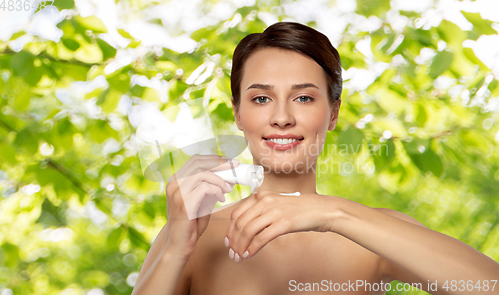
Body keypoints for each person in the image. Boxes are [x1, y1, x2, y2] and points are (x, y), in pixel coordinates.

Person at [131, 22, 499, 295]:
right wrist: (174, 251)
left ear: (334, 113)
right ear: (238, 114)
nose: (281, 117)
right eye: (261, 98)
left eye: (304, 97)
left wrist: (330, 214)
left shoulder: (370, 231)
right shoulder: (194, 234)